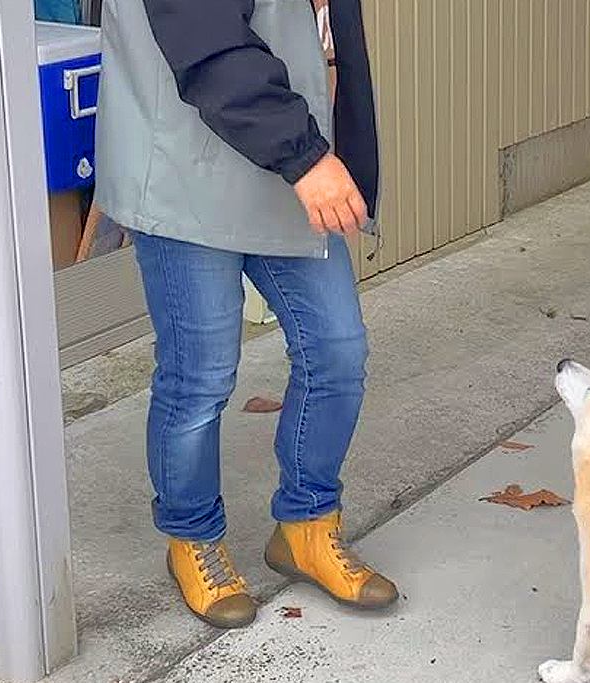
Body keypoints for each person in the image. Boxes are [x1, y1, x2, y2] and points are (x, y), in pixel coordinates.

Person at [94, 0, 398, 628]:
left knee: (338, 353)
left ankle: (308, 527)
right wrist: (309, 158)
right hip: (186, 167)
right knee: (199, 377)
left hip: (279, 166)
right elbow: (210, 48)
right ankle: (192, 536)